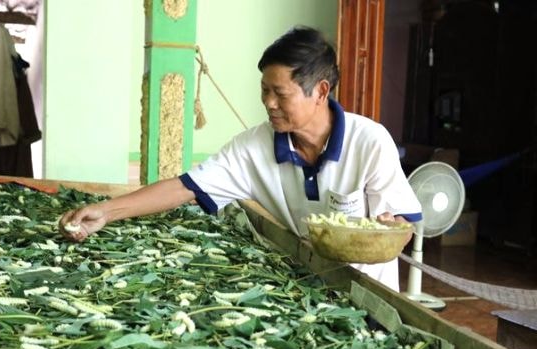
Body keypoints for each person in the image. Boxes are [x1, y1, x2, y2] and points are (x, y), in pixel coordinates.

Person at [59, 26, 422, 292]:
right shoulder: (255, 147)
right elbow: (185, 187)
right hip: (307, 289)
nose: (268, 103)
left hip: (368, 297)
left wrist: (391, 226)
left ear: (320, 91)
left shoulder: (370, 142)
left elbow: (402, 223)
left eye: (280, 93)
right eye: (264, 90)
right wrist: (107, 211)